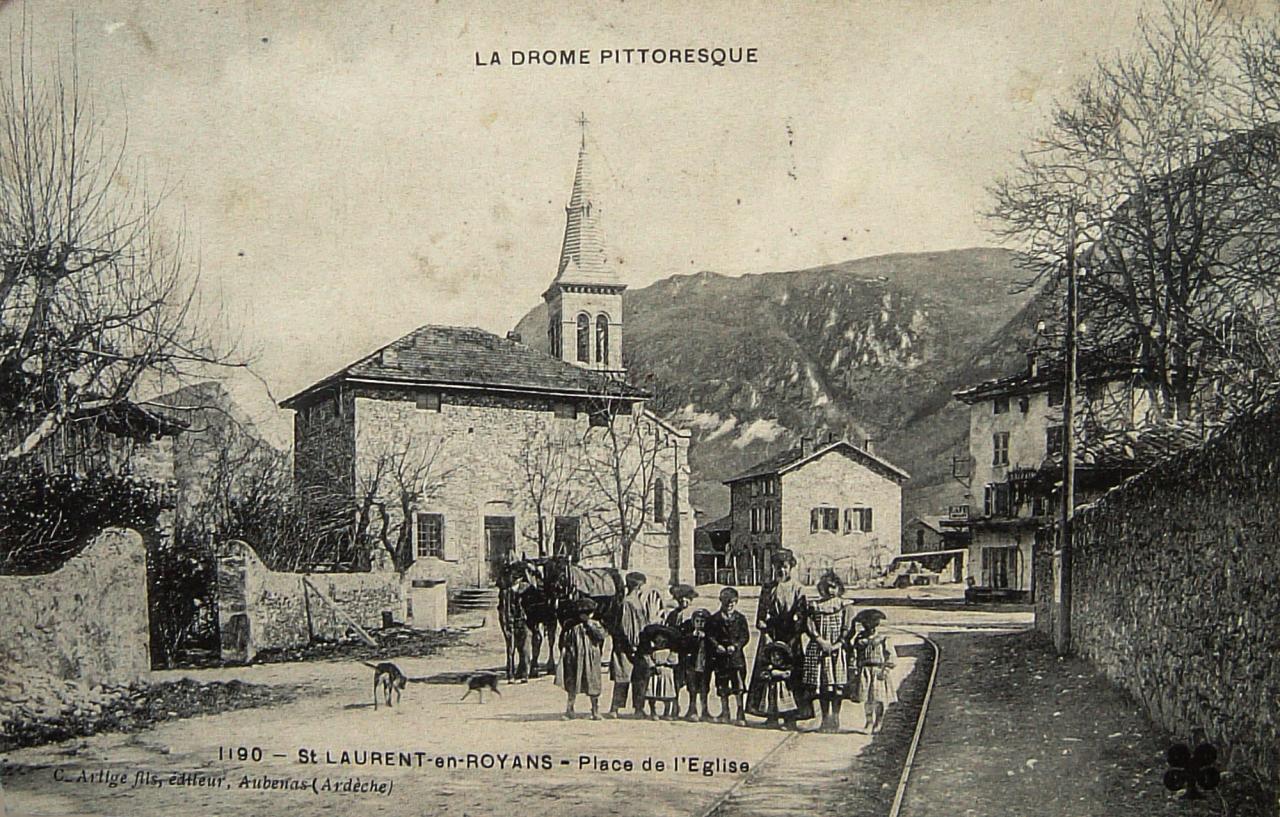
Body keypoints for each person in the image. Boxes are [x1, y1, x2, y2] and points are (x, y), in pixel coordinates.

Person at [747, 549, 808, 727]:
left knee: (791, 674)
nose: (781, 570)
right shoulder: (767, 589)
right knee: (768, 672)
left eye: (785, 567)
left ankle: (791, 717)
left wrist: (795, 635)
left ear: (791, 568)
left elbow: (801, 615)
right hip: (772, 635)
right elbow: (760, 616)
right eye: (778, 567)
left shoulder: (799, 589)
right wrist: (764, 630)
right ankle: (771, 713)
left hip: (791, 635)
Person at [608, 572, 665, 718]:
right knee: (623, 677)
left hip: (637, 645)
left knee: (639, 678)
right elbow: (627, 627)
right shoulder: (628, 602)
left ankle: (638, 708)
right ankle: (615, 708)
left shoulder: (634, 601)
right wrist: (632, 645)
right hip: (628, 646)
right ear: (638, 586)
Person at [803, 572, 850, 733]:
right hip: (820, 650)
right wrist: (820, 640)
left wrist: (838, 644)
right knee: (824, 687)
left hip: (837, 651)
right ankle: (825, 717)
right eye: (827, 587)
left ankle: (835, 717)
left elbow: (847, 628)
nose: (830, 590)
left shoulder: (845, 606)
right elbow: (809, 626)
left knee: (837, 687)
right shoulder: (815, 606)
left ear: (839, 588)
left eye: (833, 587)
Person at [555, 597, 607, 720]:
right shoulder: (570, 625)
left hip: (591, 657)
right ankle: (569, 710)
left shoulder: (595, 624)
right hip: (574, 657)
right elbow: (563, 641)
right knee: (572, 683)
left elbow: (601, 636)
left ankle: (595, 710)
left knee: (593, 683)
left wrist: (589, 624)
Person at [850, 609, 897, 733]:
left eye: (872, 624)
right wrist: (854, 668)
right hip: (865, 671)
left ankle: (879, 721)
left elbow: (890, 655)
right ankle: (869, 721)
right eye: (866, 624)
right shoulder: (859, 639)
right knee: (867, 699)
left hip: (878, 670)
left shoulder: (882, 639)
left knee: (879, 698)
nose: (869, 627)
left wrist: (886, 669)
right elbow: (854, 655)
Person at [708, 586, 750, 725]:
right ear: (721, 601)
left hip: (736, 658)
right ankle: (725, 711)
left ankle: (740, 712)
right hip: (720, 658)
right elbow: (710, 635)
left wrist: (736, 646)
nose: (730, 604)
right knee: (722, 685)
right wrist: (717, 646)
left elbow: (745, 636)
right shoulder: (714, 619)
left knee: (738, 686)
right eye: (727, 602)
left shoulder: (740, 618)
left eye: (733, 601)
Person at [751, 641, 801, 725]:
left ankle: (789, 720)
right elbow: (764, 674)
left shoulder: (785, 666)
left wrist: (779, 673)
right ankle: (772, 719)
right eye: (773, 656)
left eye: (779, 656)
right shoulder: (769, 666)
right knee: (771, 702)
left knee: (785, 704)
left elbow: (788, 673)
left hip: (783, 689)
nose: (776, 658)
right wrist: (767, 674)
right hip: (771, 688)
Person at [678, 608, 713, 721]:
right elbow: (683, 646)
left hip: (704, 665)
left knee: (704, 687)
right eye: (697, 621)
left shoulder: (709, 636)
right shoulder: (689, 635)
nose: (699, 624)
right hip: (692, 665)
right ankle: (692, 709)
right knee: (692, 687)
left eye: (702, 621)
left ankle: (705, 710)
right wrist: (693, 637)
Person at [640, 627, 681, 720]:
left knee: (667, 694)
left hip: (666, 673)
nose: (660, 643)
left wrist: (666, 663)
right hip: (655, 673)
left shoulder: (670, 651)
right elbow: (647, 658)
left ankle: (667, 713)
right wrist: (652, 665)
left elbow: (674, 660)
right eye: (657, 641)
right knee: (652, 693)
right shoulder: (652, 651)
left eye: (662, 641)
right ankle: (653, 711)